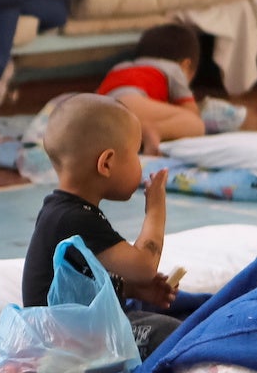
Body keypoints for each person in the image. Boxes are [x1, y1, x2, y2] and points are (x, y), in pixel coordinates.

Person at [21, 94, 182, 356]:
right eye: (136, 153)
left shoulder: (63, 211)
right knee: (173, 335)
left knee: (176, 316)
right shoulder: (73, 218)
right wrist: (155, 209)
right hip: (64, 346)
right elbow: (143, 266)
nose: (141, 164)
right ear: (106, 163)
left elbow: (81, 279)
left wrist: (131, 288)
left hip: (75, 335)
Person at [95, 24, 206, 150]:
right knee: (195, 123)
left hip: (100, 111)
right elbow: (191, 111)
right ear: (185, 65)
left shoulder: (120, 67)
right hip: (132, 104)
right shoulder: (175, 69)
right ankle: (154, 131)